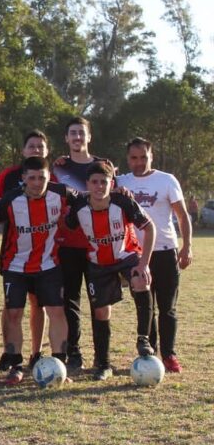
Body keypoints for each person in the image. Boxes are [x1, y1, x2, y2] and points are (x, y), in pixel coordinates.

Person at [65, 161, 156, 380]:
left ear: (111, 183)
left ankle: (144, 338)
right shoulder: (78, 206)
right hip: (98, 263)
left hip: (127, 256)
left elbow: (150, 227)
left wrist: (143, 264)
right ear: (87, 184)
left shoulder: (123, 201)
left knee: (141, 281)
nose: (99, 186)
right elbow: (68, 224)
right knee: (101, 312)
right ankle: (103, 364)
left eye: (103, 182)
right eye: (94, 182)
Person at [0, 157, 73, 385]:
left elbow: (93, 196)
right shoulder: (10, 200)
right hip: (15, 267)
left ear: (49, 178)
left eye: (41, 178)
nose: (37, 183)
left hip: (49, 265)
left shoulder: (62, 193)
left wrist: (119, 192)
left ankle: (58, 363)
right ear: (23, 178)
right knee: (14, 313)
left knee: (56, 311)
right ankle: (16, 366)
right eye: (32, 178)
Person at [116, 137, 192, 373]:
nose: (138, 162)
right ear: (127, 159)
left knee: (167, 308)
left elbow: (182, 216)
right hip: (135, 257)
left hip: (165, 252)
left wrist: (187, 246)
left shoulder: (166, 180)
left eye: (143, 157)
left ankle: (169, 355)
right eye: (133, 158)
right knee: (144, 308)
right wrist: (63, 162)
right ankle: (150, 354)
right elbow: (91, 174)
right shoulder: (120, 181)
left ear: (151, 156)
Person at [0, 130, 55, 370]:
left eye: (40, 146)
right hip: (14, 253)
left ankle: (36, 353)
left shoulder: (51, 176)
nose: (35, 150)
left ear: (47, 152)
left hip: (44, 254)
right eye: (31, 146)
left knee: (40, 304)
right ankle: (10, 353)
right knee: (11, 306)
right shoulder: (9, 176)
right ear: (23, 151)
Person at [53, 117, 113, 374]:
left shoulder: (104, 167)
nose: (77, 137)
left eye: (81, 133)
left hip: (97, 245)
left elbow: (114, 199)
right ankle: (74, 354)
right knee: (70, 302)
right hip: (67, 244)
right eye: (72, 133)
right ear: (66, 138)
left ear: (89, 137)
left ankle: (103, 361)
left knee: (100, 304)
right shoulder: (57, 168)